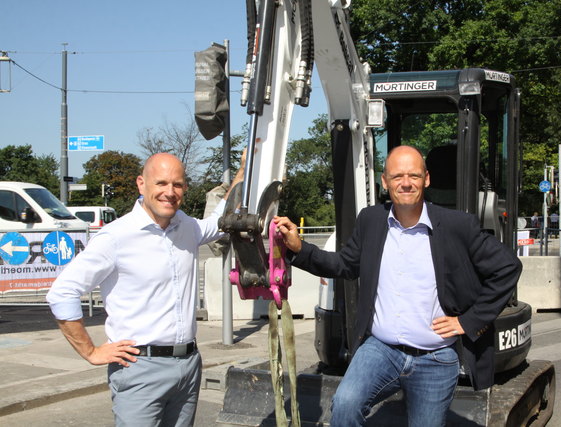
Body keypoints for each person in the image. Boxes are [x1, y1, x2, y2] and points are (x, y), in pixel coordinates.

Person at [274, 146, 522, 427]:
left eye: (414, 175)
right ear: (385, 182)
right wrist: (298, 248)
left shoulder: (457, 226)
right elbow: (343, 265)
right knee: (344, 406)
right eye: (397, 176)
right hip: (381, 350)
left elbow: (508, 267)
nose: (406, 183)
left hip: (436, 358)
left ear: (426, 179)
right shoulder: (370, 220)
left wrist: (469, 321)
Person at [46, 152, 244, 426]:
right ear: (142, 184)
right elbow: (61, 293)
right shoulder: (116, 236)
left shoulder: (187, 227)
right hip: (140, 368)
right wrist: (91, 352)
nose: (169, 192)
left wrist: (244, 171)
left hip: (188, 366)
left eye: (177, 184)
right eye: (161, 183)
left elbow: (222, 219)